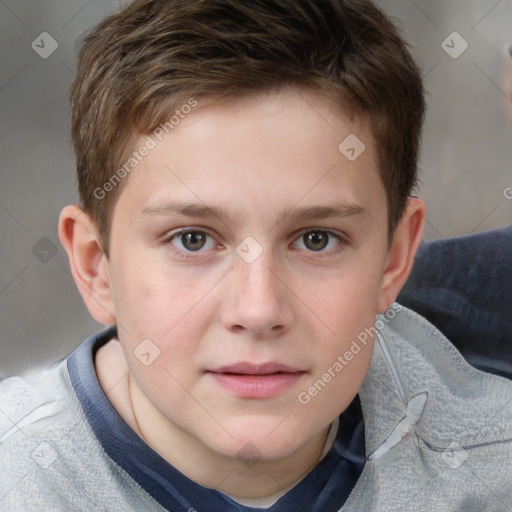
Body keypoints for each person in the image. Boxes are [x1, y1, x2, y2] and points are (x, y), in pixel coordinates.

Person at [1, 0, 511, 510]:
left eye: (316, 239)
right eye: (193, 240)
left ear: (394, 258)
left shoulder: (490, 467)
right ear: (96, 267)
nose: (259, 310)